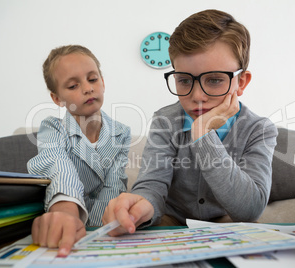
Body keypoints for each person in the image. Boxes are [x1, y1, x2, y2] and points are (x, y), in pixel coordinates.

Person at [102, 9, 278, 236]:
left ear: (241, 82)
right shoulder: (166, 120)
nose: (197, 96)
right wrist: (142, 205)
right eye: (184, 80)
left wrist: (202, 133)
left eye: (214, 80)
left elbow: (249, 210)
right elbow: (152, 184)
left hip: (224, 219)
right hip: (173, 216)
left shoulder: (259, 129)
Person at [27, 45, 131, 256]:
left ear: (103, 82)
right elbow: (57, 164)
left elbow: (113, 185)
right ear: (57, 98)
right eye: (73, 85)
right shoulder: (53, 127)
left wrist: (96, 231)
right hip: (63, 221)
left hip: (100, 228)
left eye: (92, 79)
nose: (87, 88)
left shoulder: (121, 133)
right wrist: (67, 212)